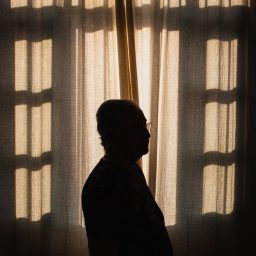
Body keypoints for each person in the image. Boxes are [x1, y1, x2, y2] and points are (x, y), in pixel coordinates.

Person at [81, 99, 173, 256]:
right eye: (138, 127)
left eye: (145, 125)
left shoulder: (132, 171)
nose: (147, 134)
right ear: (115, 135)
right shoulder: (102, 187)